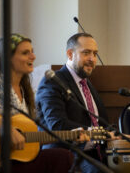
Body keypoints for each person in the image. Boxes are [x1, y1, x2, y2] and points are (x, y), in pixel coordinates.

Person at [0, 34, 75, 173]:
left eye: (32, 52)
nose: (33, 56)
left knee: (63, 157)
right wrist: (6, 128)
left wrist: (72, 135)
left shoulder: (24, 89)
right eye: (25, 53)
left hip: (13, 159)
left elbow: (27, 137)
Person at [35, 33, 114, 173]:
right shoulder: (53, 81)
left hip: (96, 153)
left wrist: (116, 135)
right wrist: (98, 134)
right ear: (70, 54)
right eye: (86, 53)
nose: (92, 59)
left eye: (95, 54)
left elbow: (100, 123)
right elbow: (57, 124)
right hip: (66, 153)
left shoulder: (87, 84)